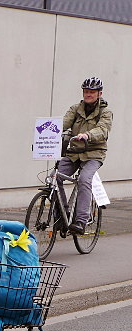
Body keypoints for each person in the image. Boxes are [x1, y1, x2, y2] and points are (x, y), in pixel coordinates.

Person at [60, 76, 113, 235]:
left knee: (84, 179)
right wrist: (47, 132)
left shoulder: (105, 112)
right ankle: (61, 213)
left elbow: (103, 130)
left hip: (94, 154)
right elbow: (63, 123)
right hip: (75, 152)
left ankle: (81, 221)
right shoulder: (75, 109)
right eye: (86, 91)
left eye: (92, 92)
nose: (88, 94)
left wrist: (87, 135)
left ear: (99, 94)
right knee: (55, 177)